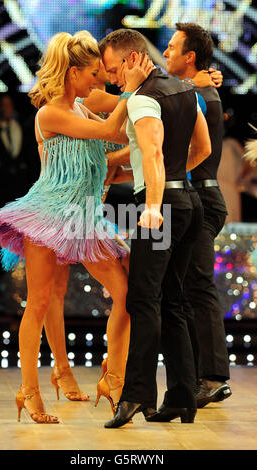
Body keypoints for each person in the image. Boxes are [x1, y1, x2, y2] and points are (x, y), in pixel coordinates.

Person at [0, 31, 153, 423]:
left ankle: (113, 376)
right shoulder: (50, 113)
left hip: (86, 218)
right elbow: (112, 132)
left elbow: (113, 151)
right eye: (93, 73)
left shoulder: (81, 108)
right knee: (40, 302)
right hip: (49, 215)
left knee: (126, 294)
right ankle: (29, 390)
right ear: (74, 73)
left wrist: (152, 156)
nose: (98, 80)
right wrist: (132, 89)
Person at [98, 28, 211, 428]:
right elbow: (202, 149)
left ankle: (135, 396)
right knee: (173, 301)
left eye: (113, 70)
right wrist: (168, 184)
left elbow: (153, 153)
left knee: (141, 301)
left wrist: (151, 203)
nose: (111, 78)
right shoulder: (183, 89)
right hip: (188, 202)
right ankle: (182, 397)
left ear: (131, 60)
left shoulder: (143, 98)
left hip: (157, 209)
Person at [154, 23, 231, 411]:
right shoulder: (195, 90)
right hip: (196, 198)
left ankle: (213, 377)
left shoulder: (199, 94)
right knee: (186, 289)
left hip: (200, 197)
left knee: (198, 286)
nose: (164, 53)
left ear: (191, 57)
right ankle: (202, 375)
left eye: (171, 47)